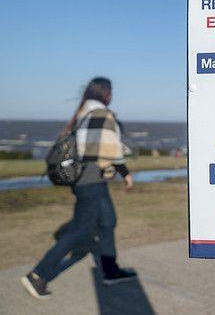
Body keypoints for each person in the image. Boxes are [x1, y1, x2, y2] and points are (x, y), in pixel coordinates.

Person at [22, 77, 137, 300]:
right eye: (110, 92)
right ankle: (37, 275)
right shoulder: (101, 114)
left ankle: (111, 271)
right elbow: (109, 150)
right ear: (105, 94)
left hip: (89, 180)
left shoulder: (84, 113)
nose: (111, 96)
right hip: (91, 180)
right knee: (81, 230)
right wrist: (125, 173)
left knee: (107, 221)